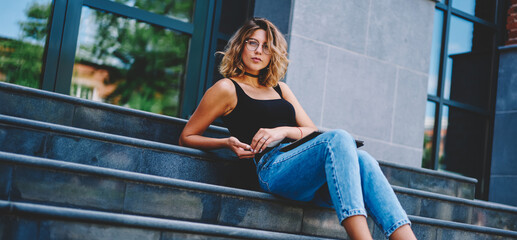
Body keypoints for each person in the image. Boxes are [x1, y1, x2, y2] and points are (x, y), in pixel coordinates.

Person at [179, 17, 417, 240]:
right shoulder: (226, 88)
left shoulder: (280, 89)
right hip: (271, 168)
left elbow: (311, 132)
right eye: (253, 43)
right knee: (340, 137)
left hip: (301, 167)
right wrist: (225, 142)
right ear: (241, 46)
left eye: (266, 46)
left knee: (363, 159)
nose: (259, 51)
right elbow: (187, 136)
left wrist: (283, 131)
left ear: (273, 54)